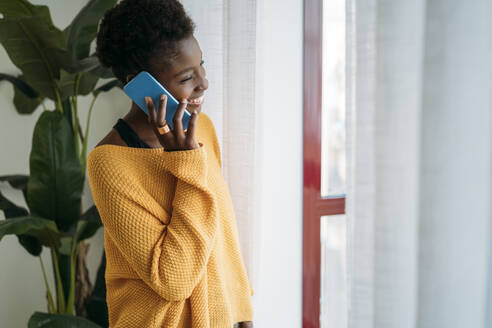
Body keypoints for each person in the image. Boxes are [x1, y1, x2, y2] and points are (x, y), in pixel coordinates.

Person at [86, 0, 254, 327]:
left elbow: (221, 228)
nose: (203, 83)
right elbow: (172, 279)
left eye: (201, 66)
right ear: (140, 85)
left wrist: (243, 308)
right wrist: (184, 161)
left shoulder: (200, 127)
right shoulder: (109, 163)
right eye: (187, 77)